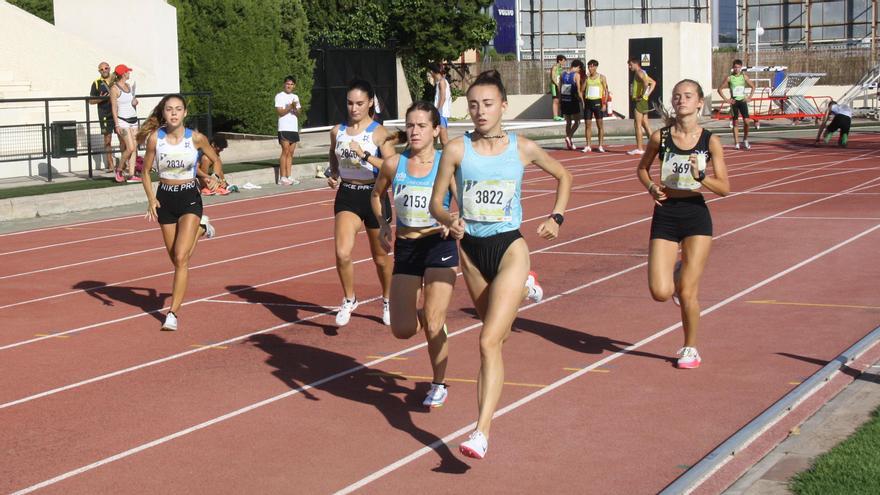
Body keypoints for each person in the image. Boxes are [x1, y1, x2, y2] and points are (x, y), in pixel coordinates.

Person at [429, 70, 572, 459]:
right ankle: (525, 288)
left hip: (510, 247)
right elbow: (436, 202)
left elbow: (564, 175)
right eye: (473, 105)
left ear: (503, 106)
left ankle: (481, 432)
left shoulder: (522, 147)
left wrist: (556, 218)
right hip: (472, 252)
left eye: (487, 104)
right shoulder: (457, 150)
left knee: (487, 341)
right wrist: (449, 219)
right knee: (499, 338)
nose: (479, 111)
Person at [635, 79, 730, 369]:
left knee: (688, 291)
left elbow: (725, 187)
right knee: (660, 292)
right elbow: (641, 169)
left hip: (695, 215)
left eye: (688, 96)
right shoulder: (660, 138)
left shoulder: (709, 141)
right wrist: (651, 187)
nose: (681, 100)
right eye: (677, 96)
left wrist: (702, 179)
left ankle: (690, 347)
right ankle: (676, 273)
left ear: (700, 102)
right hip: (665, 212)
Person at [371, 101, 458, 408]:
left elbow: (461, 203)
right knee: (402, 330)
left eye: (422, 125)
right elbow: (376, 194)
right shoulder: (395, 163)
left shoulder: (446, 164)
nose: (415, 131)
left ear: (436, 130)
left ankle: (438, 383)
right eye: (410, 125)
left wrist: (453, 220)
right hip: (407, 248)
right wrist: (383, 224)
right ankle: (426, 316)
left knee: (434, 324)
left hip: (438, 245)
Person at [137, 94, 221, 331]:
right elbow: (145, 173)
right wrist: (151, 199)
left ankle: (172, 313)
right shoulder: (155, 139)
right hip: (165, 199)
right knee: (175, 257)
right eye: (169, 109)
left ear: (185, 113)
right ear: (163, 113)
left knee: (182, 258)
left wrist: (215, 178)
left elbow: (215, 160)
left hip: (189, 199)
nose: (173, 113)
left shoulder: (195, 138)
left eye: (178, 109)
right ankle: (202, 228)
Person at [327, 79, 397, 327]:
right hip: (348, 195)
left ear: (370, 103)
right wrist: (333, 173)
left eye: (359, 103)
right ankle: (349, 298)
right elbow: (333, 155)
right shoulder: (338, 131)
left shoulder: (379, 133)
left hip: (374, 196)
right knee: (342, 252)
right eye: (349, 103)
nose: (354, 108)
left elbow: (392, 167)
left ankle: (387, 299)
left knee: (380, 258)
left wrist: (365, 155)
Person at [717, 59, 756, 150]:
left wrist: (749, 97)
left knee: (747, 121)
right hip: (734, 102)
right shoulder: (729, 78)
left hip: (742, 101)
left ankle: (745, 140)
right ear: (733, 68)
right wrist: (727, 100)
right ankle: (737, 143)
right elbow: (719, 89)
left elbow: (753, 86)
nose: (737, 69)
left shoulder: (744, 77)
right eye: (735, 67)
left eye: (738, 67)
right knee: (735, 122)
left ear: (741, 68)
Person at [110, 64, 140, 182]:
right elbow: (114, 108)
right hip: (123, 121)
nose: (129, 73)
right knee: (130, 147)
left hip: (133, 120)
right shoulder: (114, 88)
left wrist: (134, 102)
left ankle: (131, 175)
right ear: (123, 74)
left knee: (134, 147)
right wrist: (116, 124)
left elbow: (129, 102)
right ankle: (119, 169)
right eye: (128, 72)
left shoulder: (128, 86)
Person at [89, 61, 116, 172]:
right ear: (99, 71)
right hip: (105, 114)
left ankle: (125, 164)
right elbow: (90, 101)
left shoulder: (116, 80)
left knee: (123, 138)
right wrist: (102, 98)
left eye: (106, 68)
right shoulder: (96, 83)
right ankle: (110, 165)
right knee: (107, 140)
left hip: (118, 114)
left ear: (109, 68)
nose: (104, 70)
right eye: (101, 69)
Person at [275, 75, 302, 186]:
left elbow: (299, 113)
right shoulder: (279, 96)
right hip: (284, 128)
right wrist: (289, 107)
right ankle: (282, 177)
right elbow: (280, 112)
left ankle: (289, 176)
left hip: (293, 129)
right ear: (284, 84)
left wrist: (295, 108)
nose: (289, 86)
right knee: (285, 151)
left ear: (294, 86)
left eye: (291, 84)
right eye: (287, 84)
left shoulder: (295, 97)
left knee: (291, 153)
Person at [627, 57, 656, 156]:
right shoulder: (643, 72)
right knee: (645, 124)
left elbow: (646, 83)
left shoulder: (639, 73)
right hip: (644, 100)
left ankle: (639, 148)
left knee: (637, 124)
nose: (629, 67)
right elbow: (653, 83)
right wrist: (646, 95)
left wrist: (643, 95)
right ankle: (655, 145)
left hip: (639, 101)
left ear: (635, 64)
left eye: (630, 64)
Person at [582, 59, 609, 153]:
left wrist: (605, 103)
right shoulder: (587, 78)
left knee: (600, 125)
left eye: (591, 67)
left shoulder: (602, 77)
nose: (589, 69)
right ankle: (588, 145)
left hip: (597, 102)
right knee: (587, 125)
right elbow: (582, 90)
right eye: (588, 67)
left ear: (595, 67)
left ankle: (600, 145)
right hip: (588, 102)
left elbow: (606, 91)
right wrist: (585, 80)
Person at [560, 59, 584, 151]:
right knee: (577, 121)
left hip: (564, 100)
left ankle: (569, 143)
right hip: (573, 100)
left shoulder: (563, 74)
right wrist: (582, 101)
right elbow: (578, 90)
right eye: (579, 69)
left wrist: (560, 101)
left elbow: (560, 88)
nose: (579, 71)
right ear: (577, 66)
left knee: (568, 122)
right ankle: (569, 137)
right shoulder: (576, 75)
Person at [428, 63, 452, 146]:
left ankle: (452, 157)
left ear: (431, 72)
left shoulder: (442, 82)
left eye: (429, 72)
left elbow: (443, 98)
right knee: (433, 138)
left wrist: (437, 110)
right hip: (439, 113)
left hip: (441, 114)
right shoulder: (440, 82)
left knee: (444, 141)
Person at [549, 54, 566, 121]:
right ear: (559, 61)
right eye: (563, 61)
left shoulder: (560, 68)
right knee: (555, 100)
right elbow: (553, 77)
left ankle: (558, 115)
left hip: (559, 85)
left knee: (558, 100)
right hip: (554, 86)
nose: (564, 63)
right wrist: (557, 85)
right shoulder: (555, 67)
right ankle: (555, 116)